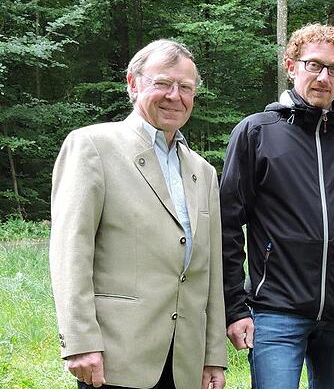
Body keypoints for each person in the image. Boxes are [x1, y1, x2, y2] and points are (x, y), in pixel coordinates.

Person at [49, 39, 227, 389]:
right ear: (133, 83)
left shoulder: (203, 171)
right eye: (162, 83)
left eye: (185, 87)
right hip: (118, 356)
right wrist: (80, 342)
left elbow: (210, 271)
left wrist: (213, 356)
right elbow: (70, 252)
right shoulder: (93, 147)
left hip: (185, 363)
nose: (174, 95)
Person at [219, 23, 334, 389]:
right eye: (313, 65)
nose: (323, 77)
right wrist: (235, 306)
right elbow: (226, 224)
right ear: (291, 66)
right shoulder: (257, 132)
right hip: (275, 312)